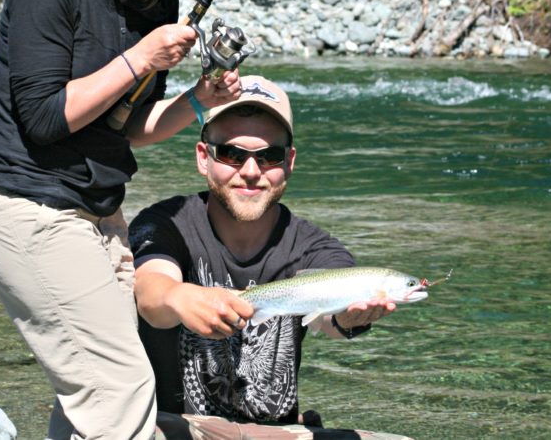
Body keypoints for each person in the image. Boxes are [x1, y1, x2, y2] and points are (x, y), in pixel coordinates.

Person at [0, 0, 241, 440]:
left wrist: (197, 101)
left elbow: (124, 127)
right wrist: (143, 56)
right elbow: (43, 120)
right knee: (119, 387)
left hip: (97, 214)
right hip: (29, 208)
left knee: (94, 389)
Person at [128, 75, 397, 436]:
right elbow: (150, 292)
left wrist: (350, 319)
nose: (251, 172)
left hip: (278, 433)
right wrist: (179, 297)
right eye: (232, 154)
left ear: (289, 162)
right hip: (178, 429)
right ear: (203, 157)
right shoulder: (168, 223)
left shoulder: (315, 247)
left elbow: (329, 321)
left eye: (269, 156)